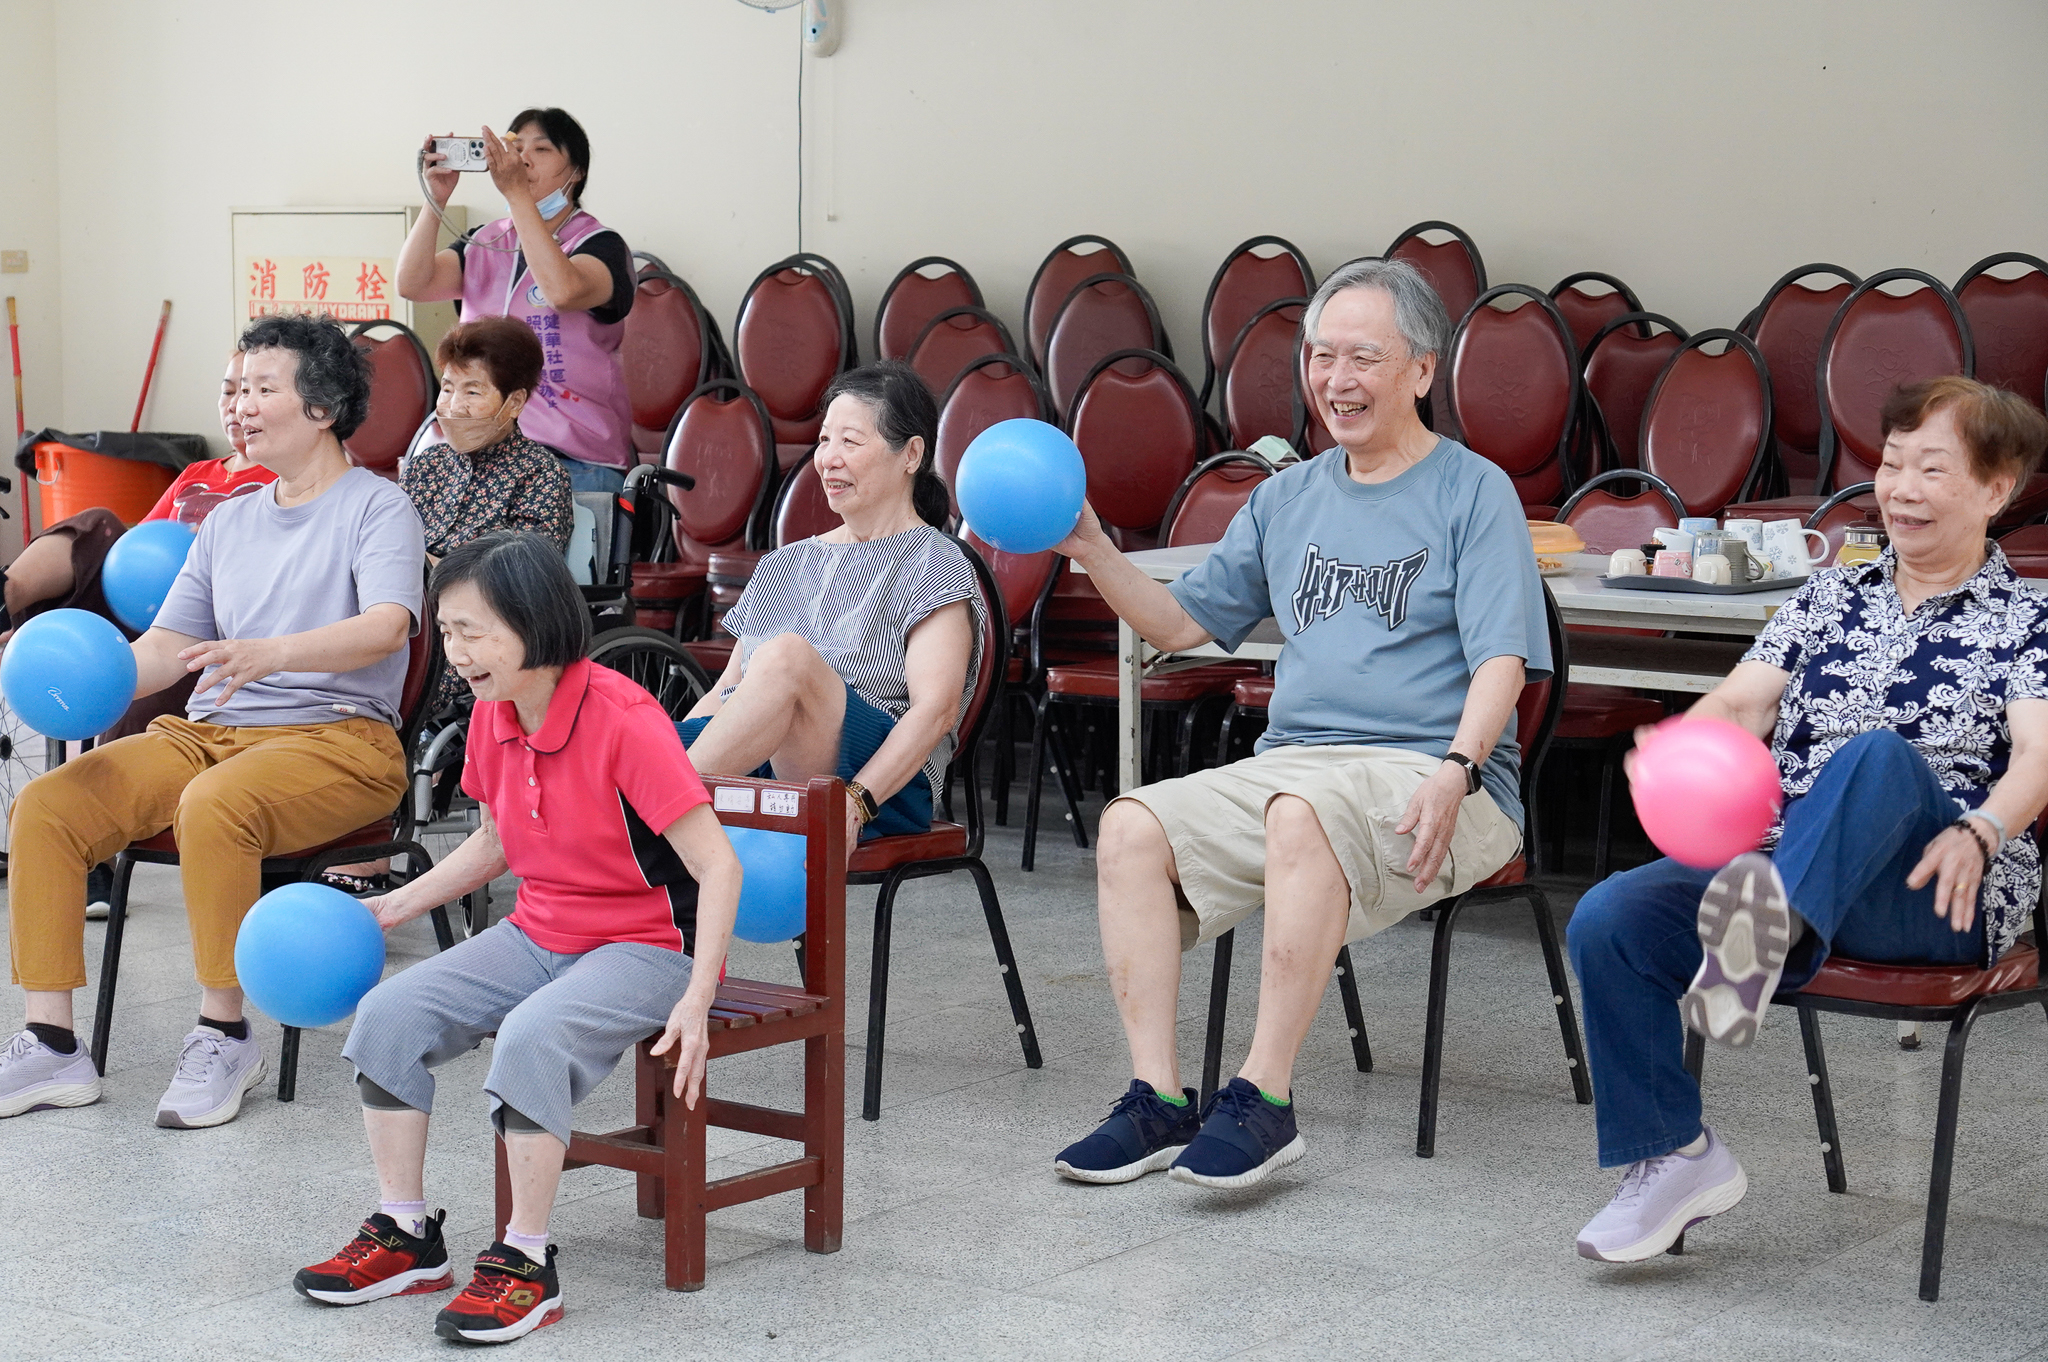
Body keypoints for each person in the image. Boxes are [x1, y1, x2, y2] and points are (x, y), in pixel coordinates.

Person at [1049, 258, 1548, 1190]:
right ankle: (1157, 1098)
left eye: (1364, 357)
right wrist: (1093, 550)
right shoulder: (1286, 497)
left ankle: (1264, 1100)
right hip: (1302, 769)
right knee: (1129, 826)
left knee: (1297, 813)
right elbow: (1183, 627)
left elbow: (1502, 663)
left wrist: (1458, 768)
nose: (1337, 380)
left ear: (1423, 372)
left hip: (1443, 782)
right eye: (1321, 356)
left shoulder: (1473, 491)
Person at [1566, 376, 2048, 1264]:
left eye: (1931, 468)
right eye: (1892, 463)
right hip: (1791, 864)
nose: (1900, 487)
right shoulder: (1828, 599)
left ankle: (1768, 937)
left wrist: (1982, 830)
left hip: (1937, 886)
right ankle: (1673, 1156)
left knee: (1876, 757)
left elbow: (2038, 758)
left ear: (1996, 488)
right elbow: (1743, 705)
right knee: (1611, 918)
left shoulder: (2030, 618)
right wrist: (1676, 745)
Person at [294, 531, 739, 1345]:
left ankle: (526, 1262)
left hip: (646, 948)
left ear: (534, 623)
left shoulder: (623, 717)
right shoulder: (495, 715)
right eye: (448, 630)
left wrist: (701, 997)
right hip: (539, 930)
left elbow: (718, 867)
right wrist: (392, 909)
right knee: (390, 1016)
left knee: (530, 1038)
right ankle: (407, 1235)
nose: (456, 652)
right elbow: (497, 840)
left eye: (473, 632)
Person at [0, 313, 425, 1129]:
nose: (242, 406)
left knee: (215, 804)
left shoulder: (379, 507)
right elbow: (170, 646)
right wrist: (76, 659)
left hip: (340, 740)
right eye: (238, 388)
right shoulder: (227, 520)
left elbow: (388, 625)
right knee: (48, 805)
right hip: (211, 736)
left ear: (324, 406)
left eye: (266, 389)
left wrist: (274, 653)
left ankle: (224, 1032)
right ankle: (51, 1043)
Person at [0, 352, 279, 915]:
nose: (234, 405)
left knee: (133, 681)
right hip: (147, 608)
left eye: (250, 391)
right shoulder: (195, 476)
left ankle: (95, 861)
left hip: (213, 629)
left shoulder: (284, 483)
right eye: (227, 390)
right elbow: (135, 558)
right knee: (99, 524)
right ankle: (11, 611)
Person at [677, 361, 984, 852]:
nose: (828, 458)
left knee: (788, 658)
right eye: (823, 440)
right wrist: (664, 745)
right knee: (617, 726)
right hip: (759, 759)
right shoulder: (786, 562)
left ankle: (658, 808)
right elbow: (728, 691)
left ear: (911, 455)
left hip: (878, 781)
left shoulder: (937, 564)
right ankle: (653, 799)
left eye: (850, 441)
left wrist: (859, 798)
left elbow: (937, 712)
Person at [319, 317, 574, 896]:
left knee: (372, 681)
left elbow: (526, 585)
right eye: (448, 389)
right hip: (403, 631)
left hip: (480, 650)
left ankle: (369, 852)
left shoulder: (541, 476)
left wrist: (431, 568)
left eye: (472, 391)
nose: (452, 407)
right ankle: (322, 833)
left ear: (514, 402)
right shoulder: (426, 468)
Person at [396, 108, 636, 494]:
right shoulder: (485, 240)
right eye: (516, 146)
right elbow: (412, 283)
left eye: (541, 150)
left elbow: (561, 292)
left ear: (577, 172)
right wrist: (435, 200)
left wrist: (517, 194)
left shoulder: (600, 245)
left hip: (573, 456)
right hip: (477, 446)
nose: (523, 157)